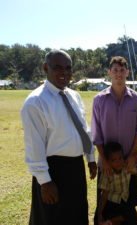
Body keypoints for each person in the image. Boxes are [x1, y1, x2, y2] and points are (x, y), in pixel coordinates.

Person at [21, 49, 97, 225]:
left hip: (76, 168)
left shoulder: (74, 96)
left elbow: (83, 129)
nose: (64, 72)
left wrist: (90, 157)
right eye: (57, 67)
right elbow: (34, 145)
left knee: (76, 215)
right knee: (51, 218)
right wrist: (45, 182)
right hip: (53, 170)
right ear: (45, 68)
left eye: (68, 68)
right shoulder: (35, 102)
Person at [92, 56, 137, 225]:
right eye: (115, 70)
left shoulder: (136, 99)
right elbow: (97, 133)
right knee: (105, 206)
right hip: (107, 163)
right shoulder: (99, 99)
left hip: (128, 161)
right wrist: (105, 161)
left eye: (122, 70)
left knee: (128, 206)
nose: (118, 74)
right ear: (109, 72)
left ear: (127, 73)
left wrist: (132, 155)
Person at [98, 142, 137, 225]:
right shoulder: (107, 173)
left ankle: (113, 221)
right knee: (113, 213)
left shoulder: (127, 167)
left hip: (125, 201)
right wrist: (99, 213)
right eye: (114, 160)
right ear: (108, 162)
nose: (118, 162)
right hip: (112, 203)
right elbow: (104, 195)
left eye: (120, 158)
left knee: (131, 213)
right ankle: (112, 221)